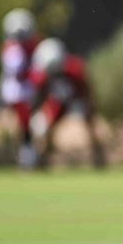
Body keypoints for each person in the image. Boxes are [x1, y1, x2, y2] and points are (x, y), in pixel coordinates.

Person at [28, 38, 106, 170]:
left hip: (76, 100)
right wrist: (36, 113)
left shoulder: (75, 70)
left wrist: (90, 108)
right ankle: (42, 160)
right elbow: (39, 96)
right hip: (57, 103)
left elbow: (86, 91)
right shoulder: (42, 76)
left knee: (90, 126)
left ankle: (98, 158)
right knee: (46, 128)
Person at [0, 8, 42, 169]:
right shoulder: (10, 49)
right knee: (11, 126)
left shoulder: (32, 48)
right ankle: (13, 156)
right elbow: (10, 72)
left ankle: (27, 155)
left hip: (25, 91)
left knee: (26, 126)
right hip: (15, 92)